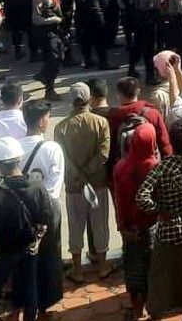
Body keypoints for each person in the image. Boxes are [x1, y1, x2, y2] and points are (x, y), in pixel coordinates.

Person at [135, 119, 182, 320]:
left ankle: (157, 312)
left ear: (171, 141)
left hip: (168, 231)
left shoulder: (161, 168)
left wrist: (158, 210)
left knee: (160, 275)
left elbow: (141, 197)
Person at [0, 136, 54, 321]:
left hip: (6, 253)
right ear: (19, 159)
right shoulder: (38, 187)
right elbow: (46, 217)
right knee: (30, 292)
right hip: (31, 248)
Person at [53, 82, 113, 282]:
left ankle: (77, 269)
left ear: (71, 101)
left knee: (75, 226)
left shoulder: (61, 127)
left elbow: (64, 159)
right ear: (89, 99)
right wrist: (88, 174)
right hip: (97, 183)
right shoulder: (100, 122)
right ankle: (103, 265)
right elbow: (103, 155)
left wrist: (79, 176)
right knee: (100, 225)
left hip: (74, 186)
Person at [17, 99, 65, 315]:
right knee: (49, 256)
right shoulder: (52, 148)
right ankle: (45, 304)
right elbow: (54, 187)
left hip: (21, 210)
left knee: (25, 257)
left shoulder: (16, 147)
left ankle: (27, 303)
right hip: (47, 208)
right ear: (42, 121)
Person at [113, 122, 160, 321]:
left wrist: (121, 225)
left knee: (133, 269)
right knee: (151, 268)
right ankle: (152, 307)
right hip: (151, 227)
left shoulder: (121, 167)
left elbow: (118, 200)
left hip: (130, 229)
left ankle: (136, 308)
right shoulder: (156, 167)